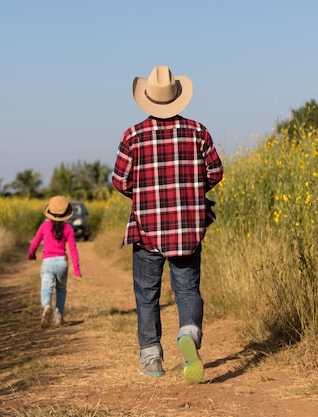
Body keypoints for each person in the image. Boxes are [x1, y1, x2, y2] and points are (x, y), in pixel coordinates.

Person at [112, 66, 223, 382]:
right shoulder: (198, 132)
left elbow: (120, 180)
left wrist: (145, 195)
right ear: (177, 96)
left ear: (147, 98)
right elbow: (215, 172)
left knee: (147, 293)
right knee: (187, 289)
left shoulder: (133, 136)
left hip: (147, 231)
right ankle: (188, 333)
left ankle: (151, 359)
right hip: (188, 228)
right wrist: (190, 192)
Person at [29, 196, 82, 328]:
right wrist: (77, 271)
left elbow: (34, 243)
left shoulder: (44, 226)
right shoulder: (68, 228)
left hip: (47, 261)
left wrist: (31, 255)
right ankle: (59, 318)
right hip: (62, 262)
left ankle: (47, 307)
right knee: (61, 289)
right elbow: (73, 250)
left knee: (46, 288)